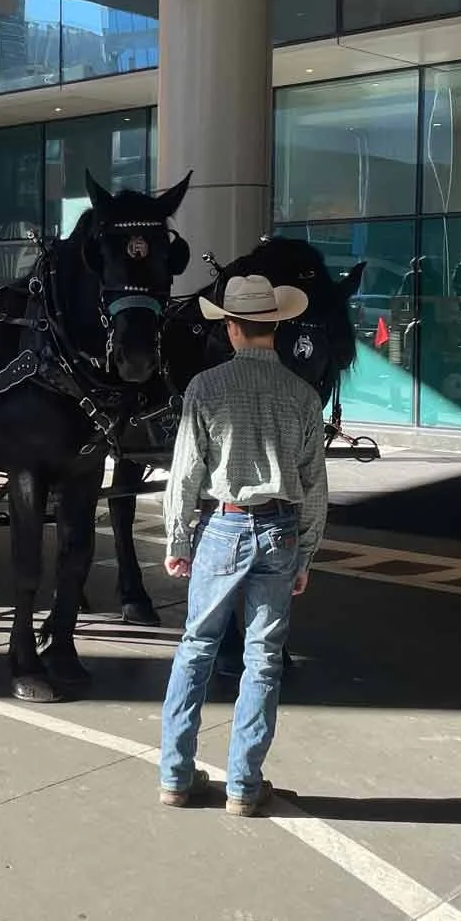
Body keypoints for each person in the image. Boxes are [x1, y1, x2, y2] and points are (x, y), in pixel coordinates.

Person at [158, 273, 328, 818]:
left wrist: (179, 538)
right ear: (275, 327)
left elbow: (185, 474)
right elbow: (315, 483)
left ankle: (176, 778)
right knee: (262, 660)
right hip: (279, 531)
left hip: (222, 527)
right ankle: (243, 787)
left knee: (196, 648)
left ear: (231, 329)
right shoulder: (303, 395)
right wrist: (305, 553)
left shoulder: (204, 389)